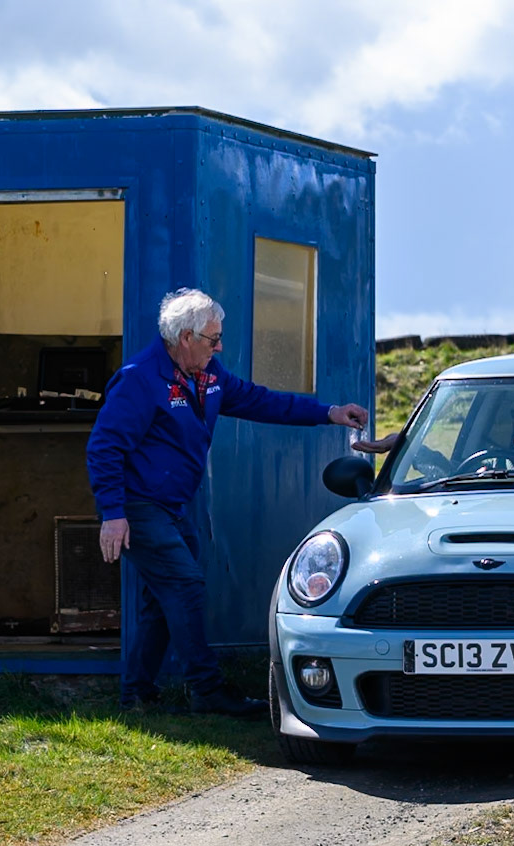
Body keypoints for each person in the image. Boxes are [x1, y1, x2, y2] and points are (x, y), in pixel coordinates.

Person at [88, 288, 372, 715]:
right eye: (212, 338)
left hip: (171, 507)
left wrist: (328, 412)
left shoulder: (209, 375)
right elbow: (104, 447)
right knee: (184, 586)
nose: (219, 346)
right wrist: (113, 514)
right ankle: (206, 689)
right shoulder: (141, 379)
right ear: (185, 338)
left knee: (160, 600)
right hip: (138, 506)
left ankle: (136, 695)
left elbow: (262, 401)